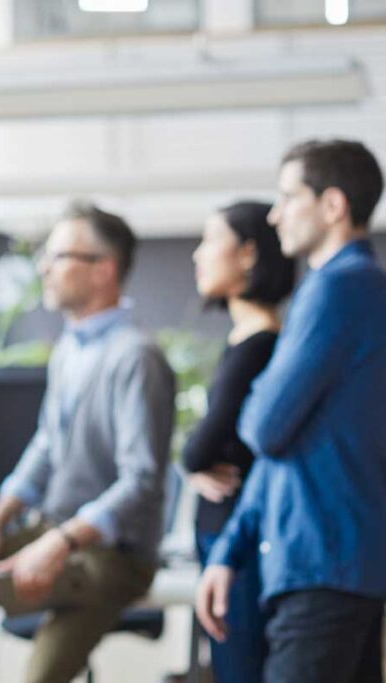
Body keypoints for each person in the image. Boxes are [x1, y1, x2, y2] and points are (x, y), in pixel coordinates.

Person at [0, 202, 176, 683]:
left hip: (111, 555)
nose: (43, 268)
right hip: (55, 530)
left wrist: (58, 543)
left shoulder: (136, 357)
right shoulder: (71, 349)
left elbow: (141, 481)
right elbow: (48, 446)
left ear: (103, 270)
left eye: (58, 256)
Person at [196, 139, 386, 683]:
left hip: (322, 561)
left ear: (333, 206)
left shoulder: (339, 290)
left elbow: (263, 426)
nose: (276, 215)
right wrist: (229, 552)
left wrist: (259, 396)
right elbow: (282, 448)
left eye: (288, 197)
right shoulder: (340, 291)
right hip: (329, 563)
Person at [184, 201, 295, 683]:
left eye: (210, 240)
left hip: (241, 540)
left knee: (242, 669)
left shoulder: (259, 344)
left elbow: (197, 450)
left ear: (248, 253)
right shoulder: (244, 342)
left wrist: (190, 464)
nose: (197, 255)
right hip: (226, 535)